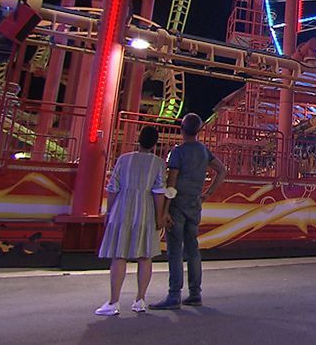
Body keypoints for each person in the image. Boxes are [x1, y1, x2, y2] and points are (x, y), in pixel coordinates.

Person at [150, 113, 228, 310]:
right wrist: (207, 193)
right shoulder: (204, 152)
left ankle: (174, 295)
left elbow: (172, 182)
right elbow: (222, 170)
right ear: (199, 130)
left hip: (177, 204)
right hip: (195, 204)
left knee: (175, 250)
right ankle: (195, 294)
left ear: (181, 129)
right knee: (193, 249)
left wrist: (165, 210)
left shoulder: (178, 152)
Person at [95, 126, 166, 316]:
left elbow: (113, 188)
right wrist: (160, 217)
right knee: (145, 256)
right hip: (146, 210)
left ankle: (113, 302)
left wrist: (109, 212)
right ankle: (140, 300)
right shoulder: (158, 163)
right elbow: (159, 193)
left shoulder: (124, 159)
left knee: (119, 255)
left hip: (122, 209)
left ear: (138, 139)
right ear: (155, 143)